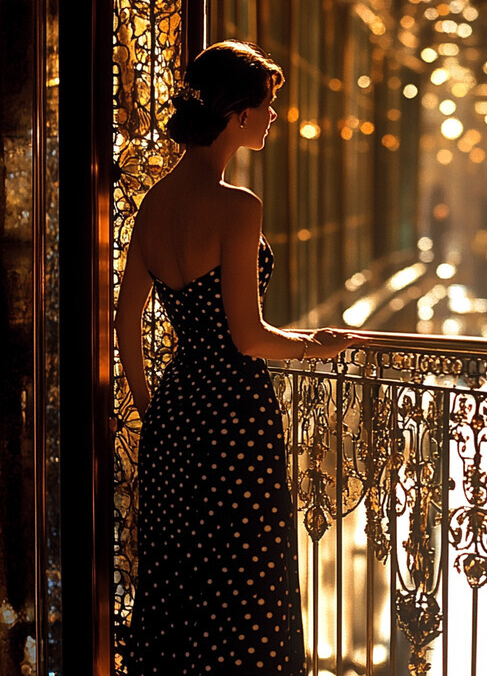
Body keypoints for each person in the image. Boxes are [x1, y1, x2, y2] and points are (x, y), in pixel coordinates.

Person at [116, 40, 356, 674]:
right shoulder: (237, 207)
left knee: (178, 586)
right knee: (245, 585)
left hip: (176, 414)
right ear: (237, 114)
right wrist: (314, 346)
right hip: (234, 418)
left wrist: (154, 410)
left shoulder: (154, 205)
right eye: (266, 104)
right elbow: (248, 337)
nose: (273, 116)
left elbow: (125, 325)